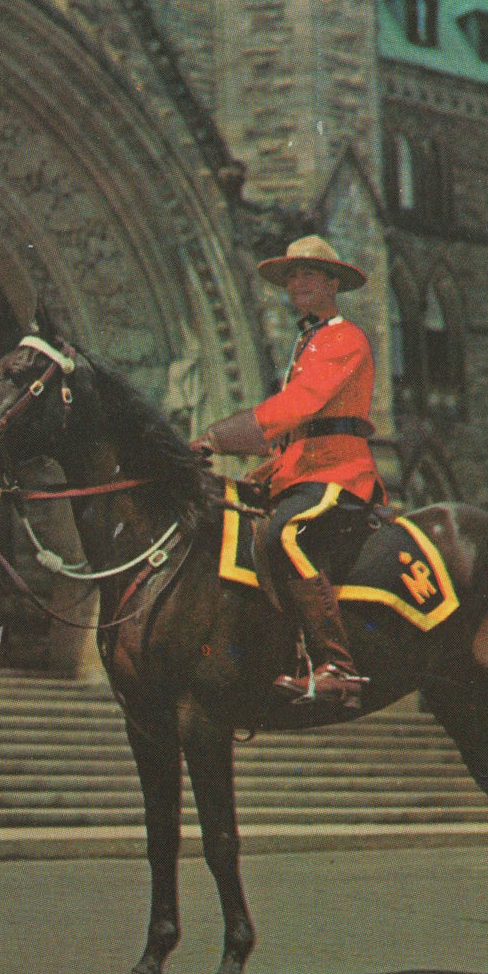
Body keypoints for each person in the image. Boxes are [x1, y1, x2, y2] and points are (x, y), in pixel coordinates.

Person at [194, 235, 384, 714]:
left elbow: (298, 408)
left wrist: (218, 436)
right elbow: (292, 435)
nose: (297, 283)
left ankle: (337, 668)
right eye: (292, 276)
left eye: (309, 275)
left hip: (340, 471)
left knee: (285, 535)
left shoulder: (345, 338)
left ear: (332, 283)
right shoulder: (307, 342)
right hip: (298, 471)